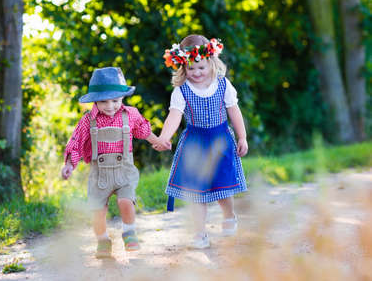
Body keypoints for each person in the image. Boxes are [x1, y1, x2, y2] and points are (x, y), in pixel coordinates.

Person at [154, 34, 248, 249]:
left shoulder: (223, 85)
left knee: (223, 185)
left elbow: (234, 110)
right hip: (194, 143)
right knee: (197, 192)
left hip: (220, 140)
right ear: (182, 68)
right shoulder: (181, 90)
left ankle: (229, 216)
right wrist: (164, 137)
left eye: (201, 68)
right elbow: (174, 115)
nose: (196, 73)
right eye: (190, 69)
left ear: (212, 63)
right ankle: (200, 233)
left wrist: (242, 137)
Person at [61, 67, 160, 258]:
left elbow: (142, 130)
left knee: (125, 201)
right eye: (104, 101)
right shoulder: (87, 121)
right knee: (98, 210)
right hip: (100, 174)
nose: (110, 105)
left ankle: (129, 232)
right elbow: (76, 143)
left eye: (115, 100)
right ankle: (102, 241)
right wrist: (69, 166)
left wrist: (158, 141)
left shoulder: (130, 114)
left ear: (122, 97)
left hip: (124, 170)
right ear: (94, 100)